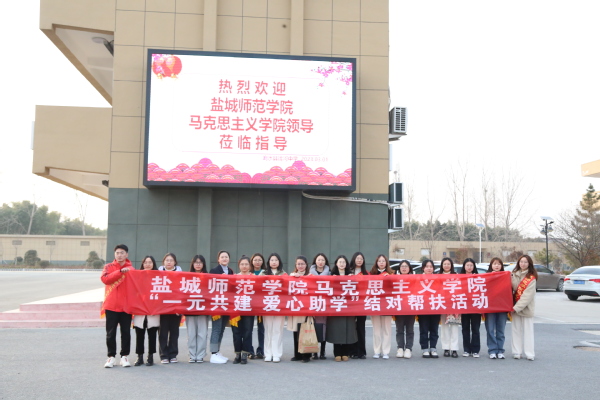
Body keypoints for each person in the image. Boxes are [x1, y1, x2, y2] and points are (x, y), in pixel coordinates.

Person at [101, 244, 133, 368]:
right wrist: (119, 272)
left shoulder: (131, 269)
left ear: (127, 254)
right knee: (110, 332)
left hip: (126, 306)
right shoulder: (108, 267)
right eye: (117, 253)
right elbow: (105, 279)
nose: (119, 255)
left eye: (122, 253)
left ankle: (124, 356)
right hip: (111, 305)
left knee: (126, 332)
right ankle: (111, 357)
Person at [327, 255, 358, 361]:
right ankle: (337, 353)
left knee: (347, 329)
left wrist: (352, 279)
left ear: (346, 264)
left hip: (348, 307)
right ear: (336, 263)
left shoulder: (350, 275)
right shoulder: (331, 275)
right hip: (335, 306)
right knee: (336, 329)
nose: (341, 264)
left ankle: (345, 352)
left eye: (343, 262)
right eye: (340, 262)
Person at [260, 252, 287, 362]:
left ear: (279, 262)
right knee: (268, 329)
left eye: (276, 260)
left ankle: (277, 353)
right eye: (272, 260)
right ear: (268, 262)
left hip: (280, 305)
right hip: (267, 304)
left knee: (277, 329)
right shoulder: (263, 273)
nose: (274, 262)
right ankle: (268, 353)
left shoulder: (284, 274)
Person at [132, 255, 159, 366]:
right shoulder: (137, 276)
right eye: (145, 262)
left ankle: (150, 356)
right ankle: (140, 357)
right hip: (140, 311)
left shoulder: (158, 277)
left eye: (150, 262)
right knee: (139, 335)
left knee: (152, 335)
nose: (147, 264)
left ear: (153, 264)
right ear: (142, 264)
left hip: (153, 311)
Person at [209, 250, 234, 364]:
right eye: (222, 257)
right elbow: (210, 286)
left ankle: (217, 351)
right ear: (218, 259)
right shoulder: (214, 271)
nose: (224, 259)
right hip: (217, 304)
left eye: (226, 257)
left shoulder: (231, 271)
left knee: (222, 328)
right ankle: (213, 353)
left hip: (226, 304)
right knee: (216, 328)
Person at [511, 254, 537, 361]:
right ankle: (517, 352)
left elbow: (527, 296)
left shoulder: (531, 278)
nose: (523, 264)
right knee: (516, 330)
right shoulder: (513, 275)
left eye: (525, 262)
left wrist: (515, 308)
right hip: (514, 307)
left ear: (529, 264)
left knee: (528, 332)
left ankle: (529, 353)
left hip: (526, 308)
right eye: (521, 262)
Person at [158, 253, 182, 364]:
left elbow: (182, 292)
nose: (169, 262)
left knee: (174, 332)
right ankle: (164, 355)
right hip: (162, 308)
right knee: (162, 333)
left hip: (175, 308)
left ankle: (173, 354)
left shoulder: (180, 274)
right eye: (167, 260)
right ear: (163, 262)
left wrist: (179, 308)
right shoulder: (158, 273)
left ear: (175, 262)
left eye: (171, 260)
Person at [287, 256, 312, 363]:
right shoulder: (291, 276)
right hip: (296, 307)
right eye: (298, 264)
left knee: (305, 330)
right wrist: (293, 276)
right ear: (296, 265)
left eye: (302, 264)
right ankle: (297, 354)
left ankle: (306, 355)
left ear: (306, 265)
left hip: (306, 308)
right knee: (296, 331)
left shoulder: (310, 276)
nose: (300, 266)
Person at [186, 255, 209, 363]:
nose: (198, 264)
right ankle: (192, 355)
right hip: (190, 309)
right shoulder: (187, 277)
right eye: (196, 262)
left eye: (200, 262)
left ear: (203, 264)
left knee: (202, 334)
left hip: (203, 309)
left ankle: (200, 355)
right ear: (193, 264)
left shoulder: (208, 277)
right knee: (191, 334)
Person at [231, 256, 255, 365]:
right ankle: (237, 353)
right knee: (236, 332)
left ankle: (245, 353)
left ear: (250, 265)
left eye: (246, 264)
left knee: (247, 331)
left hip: (249, 308)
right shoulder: (234, 277)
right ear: (239, 265)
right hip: (236, 308)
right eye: (242, 264)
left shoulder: (254, 278)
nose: (244, 266)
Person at [370, 254, 393, 359]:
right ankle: (377, 350)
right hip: (375, 303)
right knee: (376, 329)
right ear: (376, 262)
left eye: (383, 261)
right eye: (379, 261)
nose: (381, 263)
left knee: (387, 329)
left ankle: (386, 351)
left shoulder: (391, 274)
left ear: (386, 262)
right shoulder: (371, 274)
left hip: (387, 304)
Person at [485, 257, 508, 359]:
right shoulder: (486, 276)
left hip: (502, 307)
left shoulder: (506, 276)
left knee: (500, 330)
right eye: (494, 264)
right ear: (491, 265)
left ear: (501, 266)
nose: (497, 266)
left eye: (499, 264)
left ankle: (500, 350)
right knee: (490, 329)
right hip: (490, 307)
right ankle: (492, 350)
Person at [309, 252, 330, 360]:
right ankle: (314, 351)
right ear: (315, 261)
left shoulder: (329, 274)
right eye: (319, 260)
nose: (320, 262)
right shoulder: (310, 274)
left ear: (325, 262)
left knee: (323, 327)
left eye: (322, 260)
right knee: (313, 327)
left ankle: (322, 351)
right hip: (313, 303)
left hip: (325, 303)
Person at [459, 258, 481, 357]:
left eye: (471, 265)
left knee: (475, 329)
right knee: (465, 328)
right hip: (464, 306)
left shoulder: (478, 277)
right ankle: (466, 349)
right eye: (467, 265)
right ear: (464, 266)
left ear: (474, 267)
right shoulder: (460, 278)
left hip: (476, 306)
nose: (469, 267)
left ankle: (475, 350)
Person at [438, 257, 460, 358]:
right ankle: (446, 348)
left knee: (454, 327)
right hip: (442, 304)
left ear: (451, 265)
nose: (446, 266)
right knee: (444, 327)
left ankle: (454, 348)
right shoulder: (438, 276)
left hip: (454, 304)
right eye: (445, 264)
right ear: (442, 265)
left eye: (448, 264)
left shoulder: (456, 275)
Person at [418, 259, 440, 358]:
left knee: (434, 329)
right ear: (423, 268)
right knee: (424, 329)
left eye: (431, 267)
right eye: (427, 266)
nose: (429, 268)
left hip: (435, 306)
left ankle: (433, 348)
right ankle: (425, 348)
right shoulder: (418, 278)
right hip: (423, 307)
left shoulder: (437, 278)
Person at [349, 252, 368, 359]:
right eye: (357, 258)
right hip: (350, 304)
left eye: (361, 258)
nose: (359, 260)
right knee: (352, 328)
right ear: (354, 259)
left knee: (361, 328)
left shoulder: (366, 273)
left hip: (362, 304)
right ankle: (352, 351)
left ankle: (361, 351)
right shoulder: (348, 271)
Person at [394, 260, 415, 359]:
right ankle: (400, 348)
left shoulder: (414, 279)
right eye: (402, 266)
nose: (404, 268)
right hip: (399, 307)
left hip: (411, 307)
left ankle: (408, 349)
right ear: (399, 268)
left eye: (406, 266)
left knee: (410, 330)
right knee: (399, 329)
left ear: (409, 268)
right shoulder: (395, 278)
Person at [249, 253, 266, 359]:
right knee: (249, 328)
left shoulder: (266, 273)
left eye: (260, 260)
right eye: (255, 260)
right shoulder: (248, 272)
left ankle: (261, 350)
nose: (257, 262)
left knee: (261, 328)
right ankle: (250, 351)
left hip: (262, 303)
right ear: (252, 261)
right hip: (250, 303)